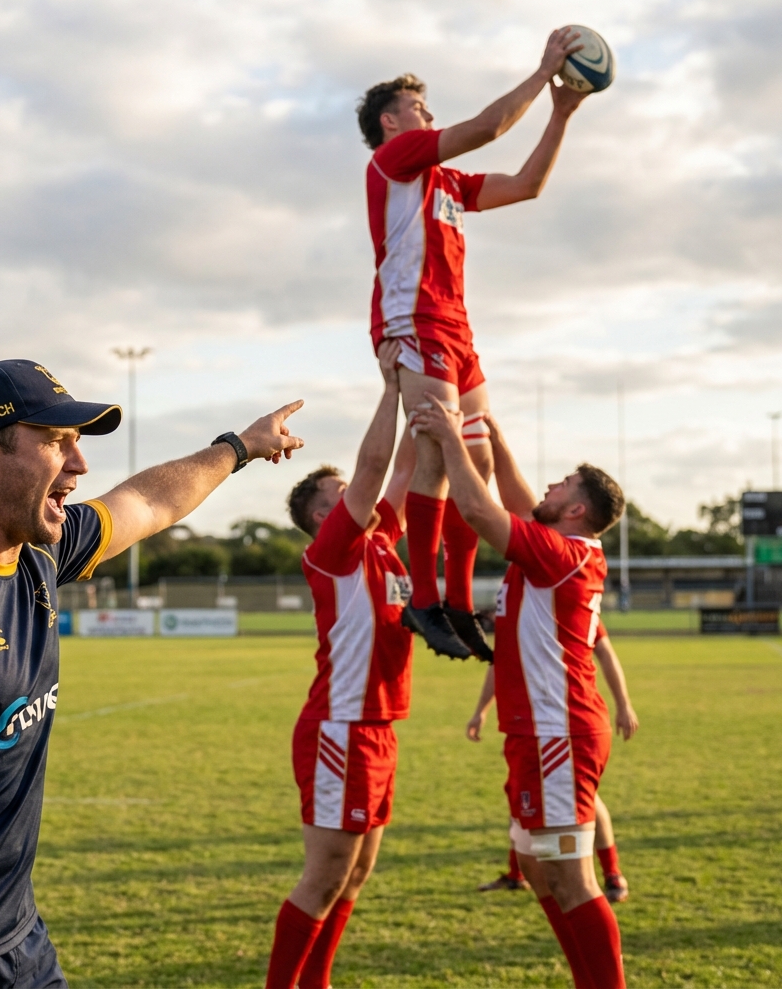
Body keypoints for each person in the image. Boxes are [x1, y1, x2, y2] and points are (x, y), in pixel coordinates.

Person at [0, 359, 304, 989]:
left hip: (17, 940)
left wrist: (239, 447)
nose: (79, 464)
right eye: (54, 442)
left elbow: (148, 501)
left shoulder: (39, 552)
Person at [357, 28, 591, 660]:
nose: (428, 115)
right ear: (390, 121)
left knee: (479, 458)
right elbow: (488, 126)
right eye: (417, 107)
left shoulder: (447, 185)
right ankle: (427, 602)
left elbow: (526, 185)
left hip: (458, 329)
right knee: (436, 448)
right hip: (416, 320)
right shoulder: (396, 160)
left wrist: (562, 113)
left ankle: (460, 603)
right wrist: (545, 71)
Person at [410, 403, 627, 988]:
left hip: (561, 734)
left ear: (577, 510)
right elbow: (519, 501)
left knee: (570, 876)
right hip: (535, 732)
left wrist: (454, 438)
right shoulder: (556, 547)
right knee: (534, 864)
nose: (549, 485)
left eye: (563, 484)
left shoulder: (562, 555)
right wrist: (498, 442)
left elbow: (480, 509)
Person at [265, 340, 416, 989]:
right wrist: (392, 387)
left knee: (356, 873)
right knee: (324, 874)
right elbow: (379, 463)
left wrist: (427, 393)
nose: (358, 492)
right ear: (324, 517)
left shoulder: (382, 544)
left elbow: (406, 469)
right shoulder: (333, 552)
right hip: (341, 729)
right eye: (342, 491)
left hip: (378, 728)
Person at [468, 627, 639, 903]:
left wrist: (624, 704)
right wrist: (481, 711)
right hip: (524, 726)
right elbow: (499, 663)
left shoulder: (563, 599)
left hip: (562, 726)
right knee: (518, 793)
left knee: (587, 803)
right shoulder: (519, 604)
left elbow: (605, 652)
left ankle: (613, 874)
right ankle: (516, 874)